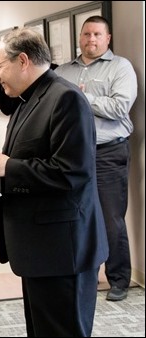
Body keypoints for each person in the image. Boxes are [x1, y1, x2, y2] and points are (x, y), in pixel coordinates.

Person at [0, 27, 109, 336]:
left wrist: (11, 167)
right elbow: (8, 165)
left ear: (23, 61)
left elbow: (71, 173)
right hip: (40, 250)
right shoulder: (25, 100)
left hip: (63, 250)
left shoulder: (65, 98)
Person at [54, 15, 138, 302]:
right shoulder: (63, 71)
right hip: (71, 154)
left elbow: (120, 107)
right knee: (75, 215)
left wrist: (83, 98)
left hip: (108, 153)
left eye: (97, 35)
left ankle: (118, 280)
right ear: (79, 37)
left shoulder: (120, 67)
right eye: (86, 34)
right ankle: (83, 273)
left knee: (110, 218)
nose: (91, 39)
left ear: (108, 38)